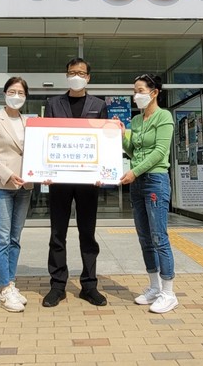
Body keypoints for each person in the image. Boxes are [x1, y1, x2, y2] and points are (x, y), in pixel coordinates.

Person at [42, 58, 108, 307]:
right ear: (66, 75)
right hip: (59, 179)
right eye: (72, 72)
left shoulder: (99, 105)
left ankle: (89, 285)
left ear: (88, 77)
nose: (76, 76)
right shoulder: (53, 104)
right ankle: (57, 286)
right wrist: (44, 169)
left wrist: (104, 172)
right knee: (57, 233)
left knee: (87, 233)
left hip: (89, 181)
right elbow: (46, 139)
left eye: (81, 73)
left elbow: (104, 142)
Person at [119, 74, 178, 313]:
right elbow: (133, 152)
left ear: (154, 93)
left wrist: (134, 172)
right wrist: (122, 135)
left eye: (140, 90)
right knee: (144, 237)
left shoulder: (164, 117)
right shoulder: (136, 120)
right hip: (137, 183)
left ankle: (169, 293)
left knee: (159, 237)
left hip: (155, 180)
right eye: (134, 91)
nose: (136, 95)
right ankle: (154, 287)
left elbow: (159, 152)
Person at [0, 77, 33, 312]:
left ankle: (11, 283)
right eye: (12, 92)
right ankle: (4, 289)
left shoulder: (28, 122)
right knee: (2, 238)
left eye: (20, 93)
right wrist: (7, 174)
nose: (16, 96)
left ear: (26, 96)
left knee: (15, 237)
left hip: (24, 186)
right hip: (1, 186)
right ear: (4, 94)